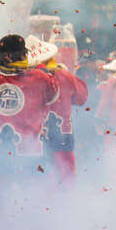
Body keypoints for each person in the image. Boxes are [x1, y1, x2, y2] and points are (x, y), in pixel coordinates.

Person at [0, 34, 58, 214]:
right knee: (32, 204)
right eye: (23, 54)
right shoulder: (40, 77)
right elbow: (52, 95)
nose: (25, 57)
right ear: (11, 56)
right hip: (29, 152)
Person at [27, 36, 87, 187]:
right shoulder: (64, 75)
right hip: (62, 135)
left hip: (32, 138)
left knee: (37, 182)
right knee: (65, 178)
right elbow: (82, 98)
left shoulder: (23, 78)